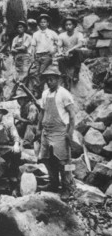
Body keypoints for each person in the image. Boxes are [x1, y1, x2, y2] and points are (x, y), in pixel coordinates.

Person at [37, 65, 76, 200]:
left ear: (58, 79)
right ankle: (53, 183)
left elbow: (72, 114)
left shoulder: (64, 93)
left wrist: (70, 132)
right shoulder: (45, 93)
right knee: (47, 159)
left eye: (52, 79)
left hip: (60, 131)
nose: (49, 82)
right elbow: (42, 112)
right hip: (47, 131)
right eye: (47, 80)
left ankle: (67, 187)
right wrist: (38, 128)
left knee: (64, 162)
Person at [31, 14, 59, 98]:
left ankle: (37, 90)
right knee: (36, 73)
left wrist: (54, 51)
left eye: (44, 22)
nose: (43, 23)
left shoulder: (52, 33)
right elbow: (33, 46)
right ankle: (39, 92)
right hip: (38, 56)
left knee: (41, 72)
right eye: (41, 22)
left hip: (47, 55)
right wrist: (33, 57)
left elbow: (58, 43)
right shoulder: (35, 34)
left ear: (47, 23)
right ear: (39, 24)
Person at [56, 17, 85, 87]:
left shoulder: (79, 34)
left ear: (74, 25)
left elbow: (80, 44)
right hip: (66, 56)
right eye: (66, 25)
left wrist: (69, 50)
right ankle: (64, 76)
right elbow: (59, 45)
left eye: (70, 24)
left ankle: (76, 74)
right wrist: (60, 52)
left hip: (75, 56)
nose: (68, 26)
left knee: (78, 51)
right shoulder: (61, 35)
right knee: (60, 59)